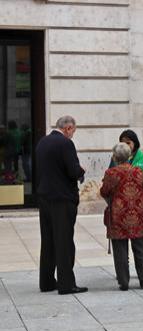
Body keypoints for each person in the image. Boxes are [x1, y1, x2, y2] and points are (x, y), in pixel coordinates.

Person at [36, 115, 87, 295]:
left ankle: (47, 281)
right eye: (73, 131)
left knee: (48, 240)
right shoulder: (65, 144)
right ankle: (66, 284)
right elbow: (73, 171)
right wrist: (81, 170)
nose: (72, 135)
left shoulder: (43, 142)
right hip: (62, 199)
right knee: (64, 241)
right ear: (67, 128)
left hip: (45, 198)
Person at [100, 142, 143, 291]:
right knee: (139, 247)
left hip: (118, 214)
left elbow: (104, 191)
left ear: (115, 157)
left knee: (120, 249)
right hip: (137, 214)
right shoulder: (138, 172)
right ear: (129, 156)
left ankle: (124, 281)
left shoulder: (111, 173)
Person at [109, 129, 143, 208]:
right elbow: (110, 178)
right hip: (119, 203)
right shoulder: (116, 157)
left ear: (135, 143)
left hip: (139, 203)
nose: (126, 145)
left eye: (128, 143)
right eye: (122, 143)